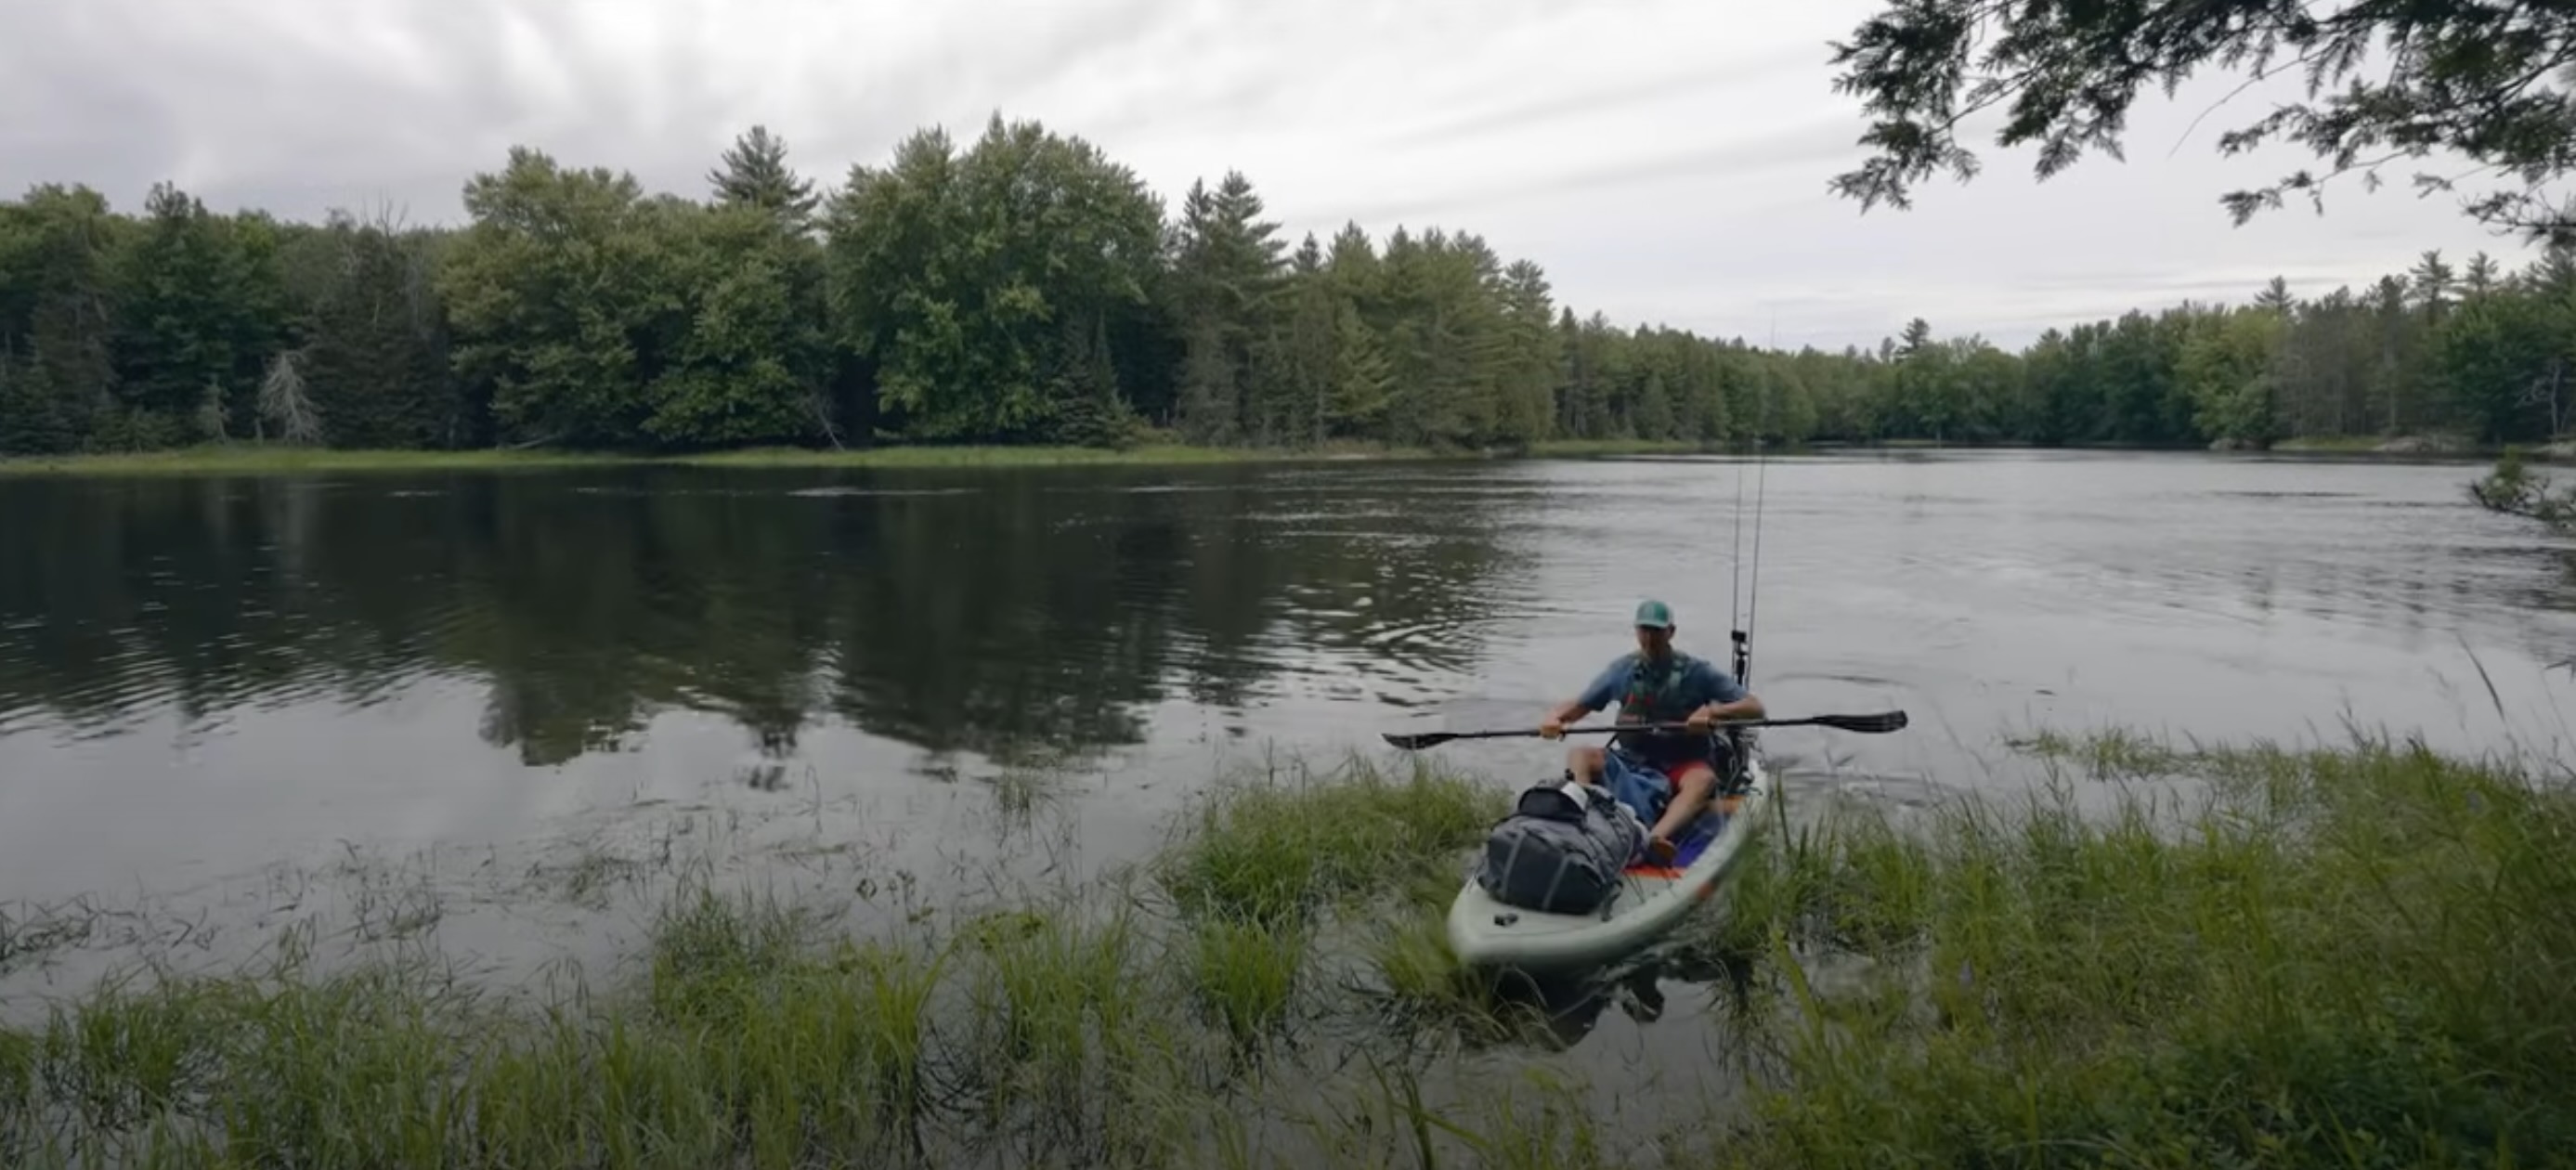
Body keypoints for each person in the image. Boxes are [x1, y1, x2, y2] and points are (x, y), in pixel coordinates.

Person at [1540, 599, 1763, 865]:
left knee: (1703, 780)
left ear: (1671, 632)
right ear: (1636, 631)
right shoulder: (1621, 670)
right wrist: (1554, 717)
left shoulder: (1697, 672)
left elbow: (1755, 708)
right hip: (1634, 760)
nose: (1649, 638)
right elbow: (1579, 706)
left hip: (1682, 763)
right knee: (1579, 755)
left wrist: (1713, 713)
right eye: (1644, 630)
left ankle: (1652, 839)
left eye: (1657, 630)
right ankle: (1588, 823)